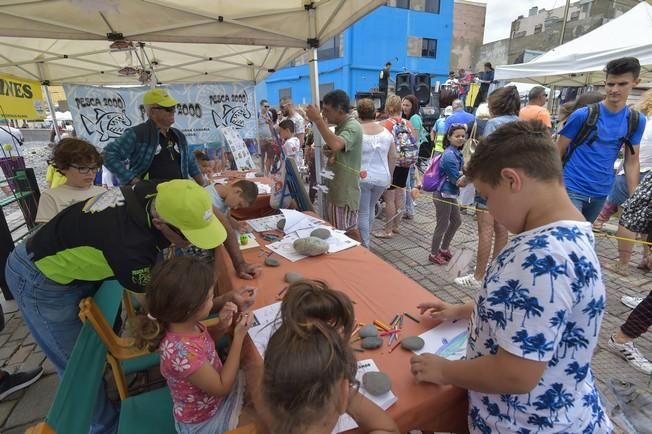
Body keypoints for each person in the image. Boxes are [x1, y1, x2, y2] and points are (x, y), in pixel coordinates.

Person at [5, 179, 257, 434]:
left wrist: (223, 295)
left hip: (75, 262)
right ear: (160, 224)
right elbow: (166, 312)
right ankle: (107, 428)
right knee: (76, 366)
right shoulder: (131, 250)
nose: (191, 244)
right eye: (187, 236)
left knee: (91, 353)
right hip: (38, 277)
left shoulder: (161, 194)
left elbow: (174, 311)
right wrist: (223, 310)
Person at [412, 120, 612, 433]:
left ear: (511, 180)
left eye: (486, 197)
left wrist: (447, 371)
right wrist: (465, 311)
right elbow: (536, 316)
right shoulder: (566, 231)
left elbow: (516, 375)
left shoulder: (542, 258)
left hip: (527, 424)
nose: (488, 208)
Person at [259, 280, 399, 434]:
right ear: (342, 397)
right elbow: (388, 428)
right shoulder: (343, 396)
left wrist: (340, 392)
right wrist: (344, 394)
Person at [135, 256, 252, 433]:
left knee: (257, 386)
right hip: (205, 420)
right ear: (190, 308)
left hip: (212, 398)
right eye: (210, 297)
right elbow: (222, 387)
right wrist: (238, 337)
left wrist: (221, 327)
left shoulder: (182, 323)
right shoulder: (180, 352)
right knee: (265, 418)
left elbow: (203, 347)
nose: (214, 301)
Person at [557, 57, 646, 223]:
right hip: (571, 186)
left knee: (583, 239)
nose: (614, 89)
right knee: (574, 238)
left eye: (622, 84)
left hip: (601, 191)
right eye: (610, 84)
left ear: (635, 82)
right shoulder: (583, 115)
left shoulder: (636, 120)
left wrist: (635, 197)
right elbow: (558, 150)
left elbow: (632, 161)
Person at [455, 86, 519, 289]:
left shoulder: (494, 124)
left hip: (491, 183)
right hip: (510, 186)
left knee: (485, 231)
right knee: (501, 230)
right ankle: (495, 275)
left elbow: (484, 156)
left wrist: (467, 177)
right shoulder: (520, 124)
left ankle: (478, 276)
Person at [104, 88, 204, 186]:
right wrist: (132, 180)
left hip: (179, 193)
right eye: (168, 108)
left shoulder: (179, 135)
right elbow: (107, 155)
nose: (173, 111)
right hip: (150, 195)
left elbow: (191, 163)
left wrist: (204, 185)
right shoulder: (137, 133)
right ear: (153, 111)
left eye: (174, 107)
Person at [306, 90, 363, 236]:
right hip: (336, 189)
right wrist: (331, 152)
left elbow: (337, 144)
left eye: (327, 110)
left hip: (343, 193)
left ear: (339, 109)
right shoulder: (342, 126)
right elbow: (338, 148)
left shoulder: (353, 126)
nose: (324, 114)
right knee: (343, 233)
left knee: (343, 237)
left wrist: (318, 120)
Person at [373, 95, 416, 239]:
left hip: (392, 164)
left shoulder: (386, 124)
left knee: (389, 198)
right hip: (406, 163)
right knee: (399, 195)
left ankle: (387, 230)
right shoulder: (408, 123)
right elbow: (414, 141)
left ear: (388, 107)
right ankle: (396, 226)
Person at [35, 138, 106, 224]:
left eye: (94, 168)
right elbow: (47, 233)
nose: (90, 173)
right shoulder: (50, 197)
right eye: (83, 168)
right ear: (63, 167)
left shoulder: (103, 192)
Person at [357, 98, 396, 248]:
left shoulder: (358, 131)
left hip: (363, 176)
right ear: (374, 112)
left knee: (363, 211)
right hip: (382, 177)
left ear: (359, 113)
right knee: (371, 208)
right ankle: (366, 241)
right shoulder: (386, 132)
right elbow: (393, 156)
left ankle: (365, 244)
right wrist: (390, 175)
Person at [429, 124, 466, 265]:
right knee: (442, 225)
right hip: (443, 194)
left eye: (463, 136)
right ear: (449, 137)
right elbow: (457, 181)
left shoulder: (456, 152)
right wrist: (471, 175)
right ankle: (433, 253)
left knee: (456, 221)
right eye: (457, 136)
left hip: (449, 194)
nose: (461, 138)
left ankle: (443, 249)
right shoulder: (450, 155)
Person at [401, 95, 426, 220]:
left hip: (410, 154)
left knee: (407, 183)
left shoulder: (415, 118)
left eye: (407, 105)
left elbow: (414, 139)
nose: (404, 107)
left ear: (413, 106)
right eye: (403, 104)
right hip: (409, 154)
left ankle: (409, 210)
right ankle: (408, 210)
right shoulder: (408, 118)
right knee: (409, 182)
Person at [257, 100, 276, 176]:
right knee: (262, 156)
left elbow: (272, 126)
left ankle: (266, 173)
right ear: (261, 106)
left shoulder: (269, 114)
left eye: (268, 106)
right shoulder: (258, 114)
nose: (267, 108)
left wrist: (273, 136)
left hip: (269, 138)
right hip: (261, 139)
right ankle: (261, 170)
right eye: (265, 106)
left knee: (269, 156)